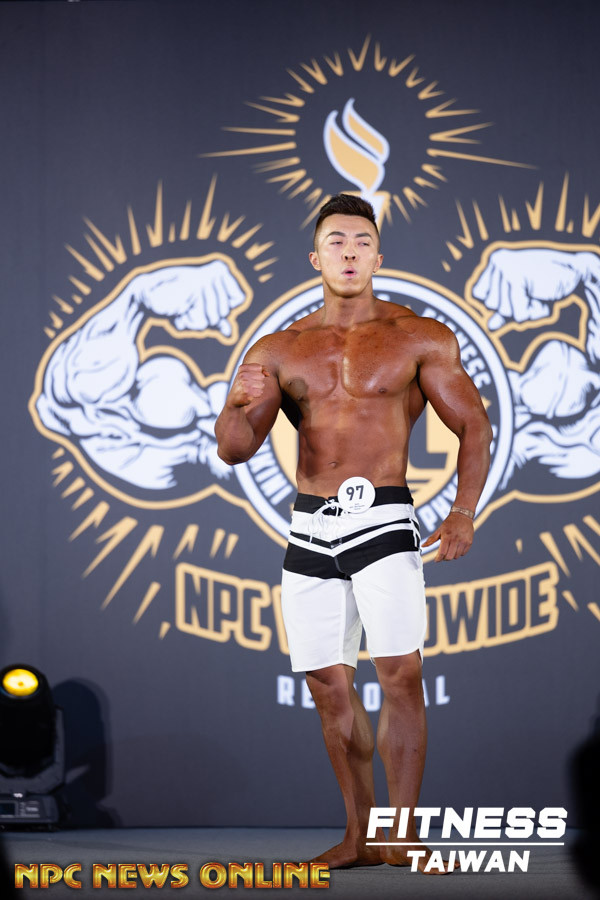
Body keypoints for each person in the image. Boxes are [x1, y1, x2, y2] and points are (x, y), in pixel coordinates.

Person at [215, 194, 492, 873]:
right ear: (315, 258)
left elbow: (474, 426)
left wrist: (462, 511)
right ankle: (359, 835)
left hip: (384, 518)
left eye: (361, 241)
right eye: (336, 241)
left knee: (401, 674)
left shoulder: (419, 337)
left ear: (377, 256)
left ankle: (403, 834)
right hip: (310, 530)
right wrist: (235, 406)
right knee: (327, 686)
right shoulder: (279, 348)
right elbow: (234, 449)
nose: (348, 251)